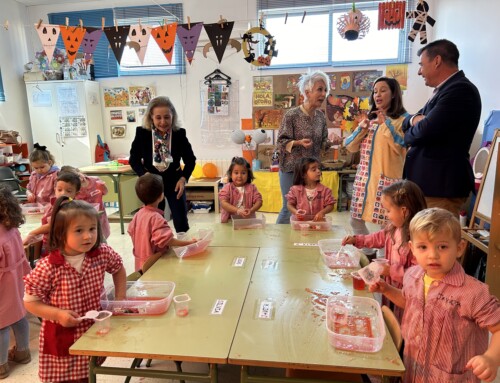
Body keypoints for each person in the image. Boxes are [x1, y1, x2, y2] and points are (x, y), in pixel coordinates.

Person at [369, 208, 500, 382]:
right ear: (412, 249)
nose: (433, 255)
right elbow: (409, 303)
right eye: (423, 247)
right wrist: (386, 289)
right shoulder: (412, 276)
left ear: (459, 248)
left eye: (442, 246)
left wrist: (491, 358)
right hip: (412, 371)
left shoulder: (473, 292)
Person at [23, 196, 126, 383]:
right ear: (61, 233)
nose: (88, 236)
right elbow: (31, 302)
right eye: (79, 230)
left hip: (92, 329)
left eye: (92, 229)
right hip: (61, 333)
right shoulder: (48, 267)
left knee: (89, 373)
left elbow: (118, 269)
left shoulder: (102, 253)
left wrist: (120, 299)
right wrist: (57, 314)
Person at [402, 39, 482, 216]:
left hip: (441, 188)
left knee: (435, 241)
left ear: (437, 61)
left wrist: (416, 125)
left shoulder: (460, 90)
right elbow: (406, 124)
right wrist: (415, 120)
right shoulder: (442, 91)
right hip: (428, 186)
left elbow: (422, 132)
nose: (419, 71)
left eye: (422, 65)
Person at [342, 180, 427, 322]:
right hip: (390, 291)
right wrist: (357, 240)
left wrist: (391, 271)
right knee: (389, 318)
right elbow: (377, 238)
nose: (386, 215)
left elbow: (419, 275)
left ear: (404, 211)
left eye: (388, 210)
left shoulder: (418, 240)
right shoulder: (392, 228)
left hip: (406, 297)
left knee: (401, 325)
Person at [344, 76, 409, 257]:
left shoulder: (402, 120)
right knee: (355, 220)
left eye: (383, 90)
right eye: (375, 91)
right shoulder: (371, 119)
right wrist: (361, 128)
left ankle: (383, 263)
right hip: (363, 181)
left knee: (387, 227)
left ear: (394, 93)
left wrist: (385, 124)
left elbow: (400, 147)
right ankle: (367, 254)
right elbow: (350, 146)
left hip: (387, 183)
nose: (377, 94)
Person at [275, 70, 342, 224]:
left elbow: (323, 144)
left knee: (309, 207)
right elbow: (281, 142)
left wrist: (333, 142)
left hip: (311, 172)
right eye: (319, 89)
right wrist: (298, 143)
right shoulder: (291, 115)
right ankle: (282, 242)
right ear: (307, 92)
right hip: (291, 170)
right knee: (289, 207)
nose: (323, 94)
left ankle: (302, 239)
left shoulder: (320, 117)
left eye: (325, 90)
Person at [129, 96, 196, 233]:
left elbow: (190, 160)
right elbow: (134, 160)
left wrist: (183, 179)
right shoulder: (142, 133)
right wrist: (145, 175)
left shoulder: (179, 134)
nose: (163, 122)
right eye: (158, 117)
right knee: (154, 221)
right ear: (151, 117)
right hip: (152, 184)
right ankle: (159, 249)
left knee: (180, 220)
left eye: (167, 117)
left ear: (173, 116)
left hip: (174, 182)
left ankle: (184, 248)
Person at [128, 174, 198, 272]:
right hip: (155, 263)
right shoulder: (156, 218)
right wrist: (188, 243)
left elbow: (131, 232)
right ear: (161, 195)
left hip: (139, 263)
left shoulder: (137, 214)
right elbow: (167, 240)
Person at [0, 187, 32, 379]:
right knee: (19, 315)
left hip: (3, 284)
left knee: (1, 325)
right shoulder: (11, 228)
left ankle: (2, 365)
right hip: (16, 280)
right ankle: (23, 352)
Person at [23, 171, 81, 251]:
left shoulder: (70, 208)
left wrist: (33, 233)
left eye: (69, 191)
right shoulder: (52, 204)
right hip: (48, 241)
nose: (63, 193)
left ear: (76, 194)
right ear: (55, 189)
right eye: (59, 190)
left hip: (60, 245)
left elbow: (51, 226)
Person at [60, 165, 111, 239]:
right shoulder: (74, 190)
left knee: (102, 238)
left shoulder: (95, 180)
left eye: (78, 175)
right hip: (84, 218)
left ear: (79, 171)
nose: (80, 179)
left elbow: (105, 192)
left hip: (100, 216)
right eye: (76, 179)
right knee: (90, 237)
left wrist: (103, 187)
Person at [286, 157, 335, 221]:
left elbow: (330, 205)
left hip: (318, 224)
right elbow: (289, 204)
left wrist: (322, 212)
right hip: (301, 224)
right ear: (303, 174)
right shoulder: (295, 190)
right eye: (314, 170)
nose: (318, 171)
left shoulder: (325, 190)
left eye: (318, 168)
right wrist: (296, 212)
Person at [219, 157, 263, 223]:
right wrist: (237, 210)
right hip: (229, 221)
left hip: (247, 221)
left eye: (243, 173)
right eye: (236, 173)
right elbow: (223, 203)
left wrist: (251, 210)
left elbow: (259, 201)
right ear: (231, 174)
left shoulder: (252, 188)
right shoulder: (227, 187)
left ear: (248, 175)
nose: (239, 176)